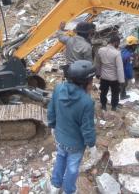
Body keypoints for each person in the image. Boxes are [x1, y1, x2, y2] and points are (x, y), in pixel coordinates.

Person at [47, 60, 98, 194]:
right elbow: (87, 128)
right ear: (85, 82)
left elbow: (51, 110)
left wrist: (52, 125)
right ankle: (69, 190)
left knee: (60, 158)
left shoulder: (58, 88)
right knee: (72, 167)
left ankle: (55, 186)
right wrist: (92, 145)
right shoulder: (87, 102)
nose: (92, 84)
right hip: (76, 144)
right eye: (91, 80)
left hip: (60, 137)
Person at [95, 34, 125, 111]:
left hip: (104, 77)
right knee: (115, 93)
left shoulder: (100, 50)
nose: (118, 45)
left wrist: (98, 73)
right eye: (118, 43)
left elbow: (98, 63)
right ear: (115, 42)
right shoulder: (117, 53)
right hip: (114, 78)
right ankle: (113, 107)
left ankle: (103, 106)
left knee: (103, 92)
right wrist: (121, 81)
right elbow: (120, 68)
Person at [120, 33, 139, 99]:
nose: (137, 46)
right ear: (132, 46)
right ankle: (122, 96)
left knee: (121, 83)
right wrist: (131, 77)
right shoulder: (129, 55)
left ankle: (120, 92)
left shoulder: (124, 48)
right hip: (123, 71)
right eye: (136, 45)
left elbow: (136, 41)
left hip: (119, 69)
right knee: (124, 83)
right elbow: (128, 68)